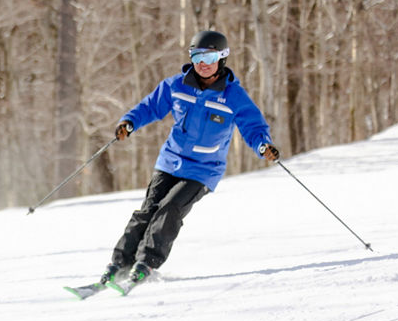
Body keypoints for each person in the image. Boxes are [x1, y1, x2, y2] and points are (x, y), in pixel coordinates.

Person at [99, 30, 280, 290]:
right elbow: (150, 107)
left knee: (170, 209)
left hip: (204, 170)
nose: (203, 63)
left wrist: (263, 145)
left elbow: (252, 126)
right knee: (147, 211)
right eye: (197, 56)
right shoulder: (176, 85)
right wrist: (129, 122)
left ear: (222, 58)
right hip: (170, 161)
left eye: (210, 56)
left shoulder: (233, 97)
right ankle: (119, 264)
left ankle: (146, 263)